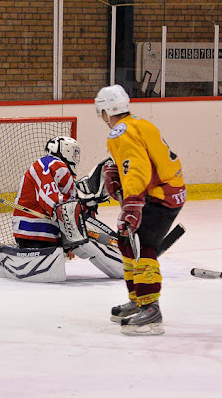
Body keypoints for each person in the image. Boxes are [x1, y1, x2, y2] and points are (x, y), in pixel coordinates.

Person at [94, 84, 186, 336]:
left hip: (159, 196)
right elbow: (140, 160)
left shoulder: (120, 132)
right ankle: (138, 299)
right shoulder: (139, 123)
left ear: (104, 111)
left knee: (142, 245)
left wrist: (132, 203)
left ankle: (151, 310)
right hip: (165, 190)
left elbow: (137, 167)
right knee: (126, 241)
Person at [11, 136, 124, 279]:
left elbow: (67, 202)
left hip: (38, 233)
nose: (76, 157)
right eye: (74, 152)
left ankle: (123, 257)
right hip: (36, 231)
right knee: (87, 242)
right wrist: (71, 219)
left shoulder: (61, 170)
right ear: (65, 151)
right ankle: (126, 262)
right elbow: (52, 200)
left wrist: (86, 203)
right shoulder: (50, 164)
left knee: (89, 237)